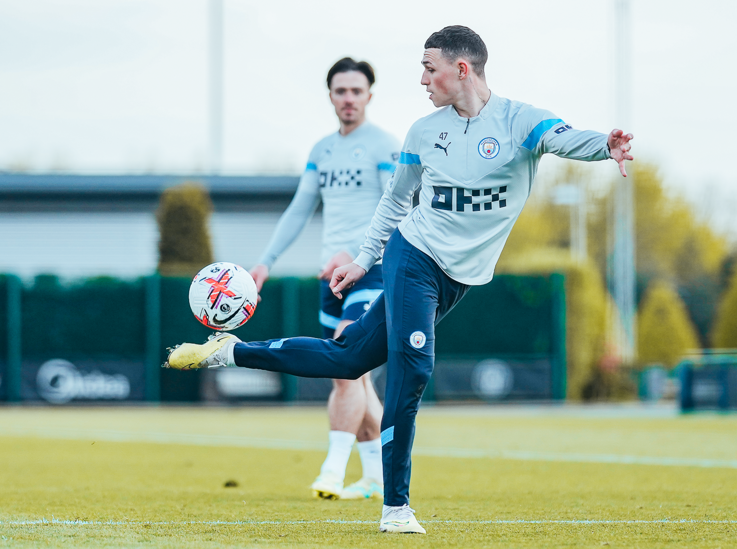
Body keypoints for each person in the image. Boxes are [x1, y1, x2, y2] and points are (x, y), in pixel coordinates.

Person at [165, 25, 634, 534]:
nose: (422, 79)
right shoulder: (422, 132)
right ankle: (395, 508)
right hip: (413, 256)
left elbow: (564, 138)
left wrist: (604, 146)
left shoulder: (523, 121)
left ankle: (230, 351)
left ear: (461, 69)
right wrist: (367, 260)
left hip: (457, 278)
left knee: (347, 358)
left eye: (428, 68)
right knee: (413, 368)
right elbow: (395, 200)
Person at [248, 57, 399, 501]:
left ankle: (332, 470)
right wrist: (266, 261)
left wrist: (355, 252)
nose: (348, 99)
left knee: (344, 369)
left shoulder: (385, 146)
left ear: (370, 94)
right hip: (328, 275)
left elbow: (398, 207)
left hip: (371, 271)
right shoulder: (321, 151)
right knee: (355, 378)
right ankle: (374, 476)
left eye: (356, 91)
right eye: (340, 91)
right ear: (330, 95)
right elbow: (299, 209)